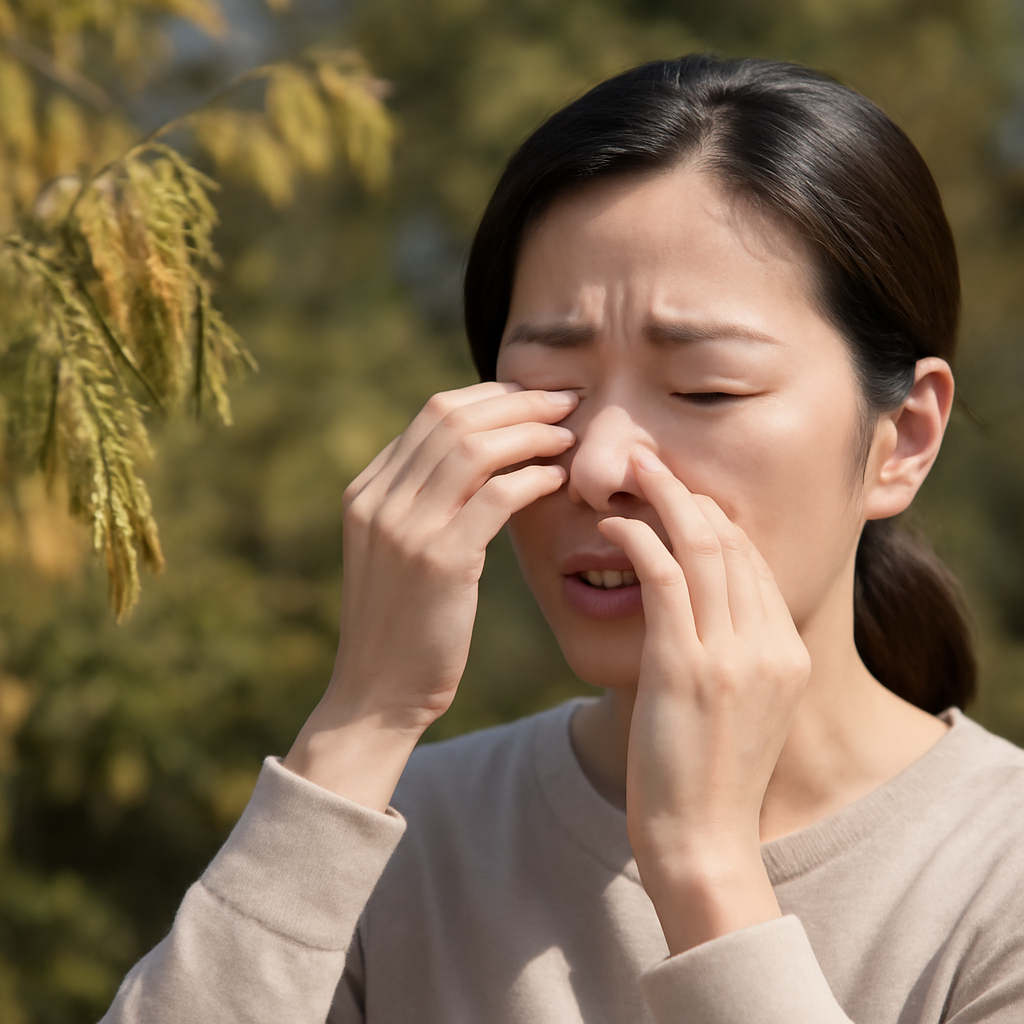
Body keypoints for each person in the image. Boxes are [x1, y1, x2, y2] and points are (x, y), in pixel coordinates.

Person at [101, 55, 1024, 1023]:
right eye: (551, 388)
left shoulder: (991, 871)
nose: (598, 464)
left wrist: (706, 873)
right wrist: (363, 718)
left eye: (705, 389)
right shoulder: (392, 832)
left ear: (902, 439)